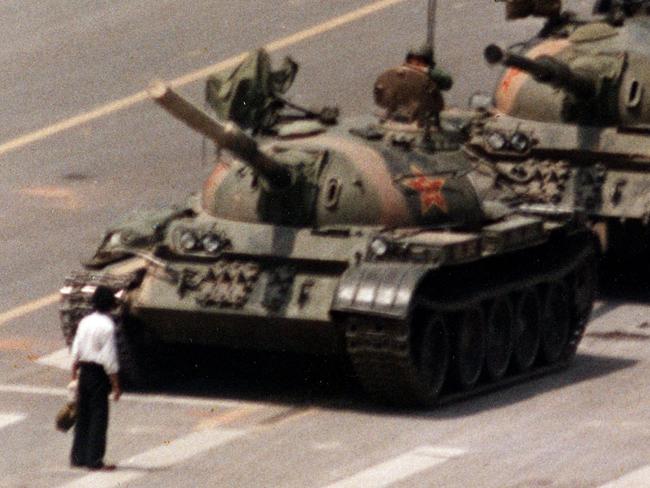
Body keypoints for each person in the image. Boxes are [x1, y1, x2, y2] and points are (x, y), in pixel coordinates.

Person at [69, 285, 121, 470]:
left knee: (83, 415)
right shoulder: (107, 326)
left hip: (84, 371)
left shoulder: (85, 321)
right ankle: (94, 460)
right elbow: (110, 359)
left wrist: (74, 373)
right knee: (99, 417)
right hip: (99, 374)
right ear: (111, 304)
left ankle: (78, 457)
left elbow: (76, 348)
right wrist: (115, 385)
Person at [373, 44, 453, 128]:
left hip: (426, 112)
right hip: (402, 110)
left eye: (419, 62)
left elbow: (447, 82)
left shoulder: (433, 73)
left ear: (427, 62)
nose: (415, 65)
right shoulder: (403, 74)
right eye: (411, 61)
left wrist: (426, 71)